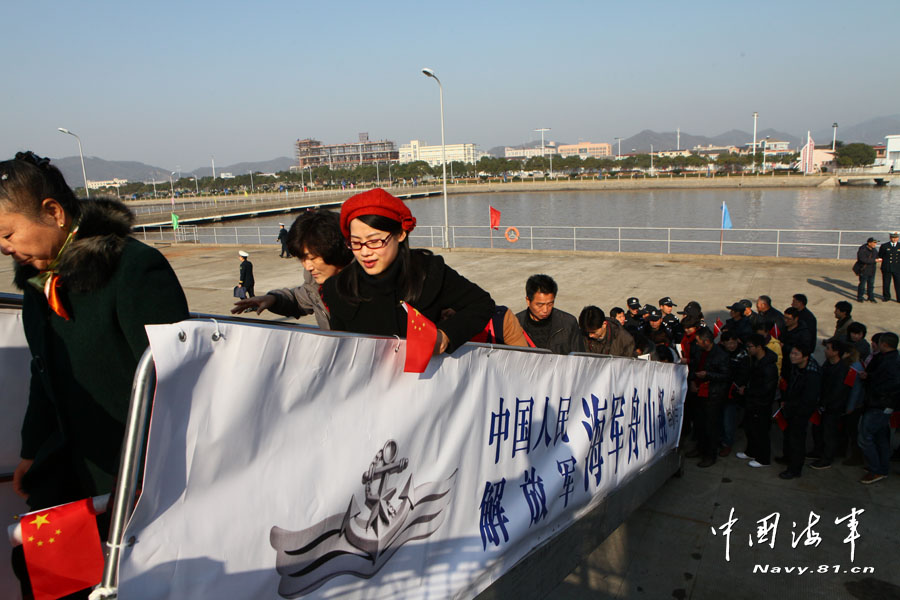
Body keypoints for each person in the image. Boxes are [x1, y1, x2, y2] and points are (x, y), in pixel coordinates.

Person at [1, 152, 189, 597]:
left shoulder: (131, 268)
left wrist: (154, 473)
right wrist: (31, 451)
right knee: (39, 568)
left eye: (8, 233)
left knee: (116, 583)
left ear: (53, 212)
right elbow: (44, 373)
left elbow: (177, 377)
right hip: (69, 463)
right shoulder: (37, 281)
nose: (5, 247)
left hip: (133, 473)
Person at [322, 188, 494, 354]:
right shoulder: (338, 287)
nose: (365, 252)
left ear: (401, 234)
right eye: (356, 243)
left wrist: (445, 335)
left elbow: (481, 304)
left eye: (374, 241)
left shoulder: (429, 271)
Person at [232, 210, 352, 328]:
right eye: (302, 259)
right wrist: (273, 299)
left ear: (336, 250)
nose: (307, 266)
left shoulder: (367, 285)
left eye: (312, 258)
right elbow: (300, 299)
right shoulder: (316, 285)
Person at [857, 332, 900, 484]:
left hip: (879, 405)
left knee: (865, 437)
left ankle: (876, 469)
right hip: (881, 404)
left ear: (885, 344)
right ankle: (882, 468)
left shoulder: (891, 362)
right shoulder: (888, 358)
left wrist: (870, 381)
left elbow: (891, 385)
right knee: (880, 437)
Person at [776, 344, 822, 480]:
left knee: (797, 440)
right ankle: (787, 458)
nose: (792, 356)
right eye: (792, 353)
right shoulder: (796, 367)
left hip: (800, 412)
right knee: (789, 436)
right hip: (791, 408)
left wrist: (794, 409)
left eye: (796, 354)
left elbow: (808, 400)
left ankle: (795, 469)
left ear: (806, 357)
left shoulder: (812, 374)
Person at [688, 327, 730, 468]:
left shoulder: (721, 355)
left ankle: (710, 455)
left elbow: (725, 376)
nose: (697, 343)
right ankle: (699, 448)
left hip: (713, 396)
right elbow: (693, 367)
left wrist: (708, 375)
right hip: (698, 393)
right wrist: (693, 381)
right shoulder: (699, 351)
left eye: (699, 341)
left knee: (710, 426)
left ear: (706, 342)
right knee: (699, 424)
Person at [810, 338, 853, 470]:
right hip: (823, 405)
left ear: (836, 352)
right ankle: (818, 451)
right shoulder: (828, 364)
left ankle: (827, 458)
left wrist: (826, 403)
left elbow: (838, 392)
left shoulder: (843, 369)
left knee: (829, 433)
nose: (825, 351)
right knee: (818, 429)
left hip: (832, 407)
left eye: (828, 348)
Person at [516, 274, 583, 354]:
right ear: (528, 301)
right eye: (540, 305)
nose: (545, 310)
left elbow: (580, 359)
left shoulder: (568, 323)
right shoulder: (515, 324)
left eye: (550, 304)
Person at [740, 334, 779, 468]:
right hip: (752, 401)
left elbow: (766, 389)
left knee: (760, 431)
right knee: (750, 428)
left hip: (761, 403)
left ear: (759, 347)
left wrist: (747, 391)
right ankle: (751, 451)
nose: (748, 349)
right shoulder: (755, 360)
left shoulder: (768, 366)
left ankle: (763, 458)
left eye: (750, 347)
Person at [719, 331, 750, 457]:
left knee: (729, 420)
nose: (731, 346)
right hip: (720, 390)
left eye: (733, 343)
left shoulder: (743, 355)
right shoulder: (720, 352)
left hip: (732, 392)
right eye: (728, 343)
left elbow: (744, 374)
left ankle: (727, 443)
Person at [854, 237, 880, 303]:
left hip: (872, 270)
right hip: (864, 270)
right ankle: (860, 297)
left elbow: (877, 256)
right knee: (862, 284)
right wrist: (874, 260)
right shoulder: (862, 249)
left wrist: (878, 259)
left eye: (876, 243)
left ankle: (871, 297)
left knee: (871, 284)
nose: (875, 244)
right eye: (874, 243)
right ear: (869, 243)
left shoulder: (874, 250)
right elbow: (862, 259)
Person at [879, 231, 900, 302]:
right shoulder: (884, 246)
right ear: (890, 238)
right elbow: (880, 255)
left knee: (898, 284)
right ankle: (886, 297)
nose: (894, 239)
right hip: (887, 267)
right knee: (886, 283)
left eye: (896, 238)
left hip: (897, 268)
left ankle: (899, 298)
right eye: (893, 238)